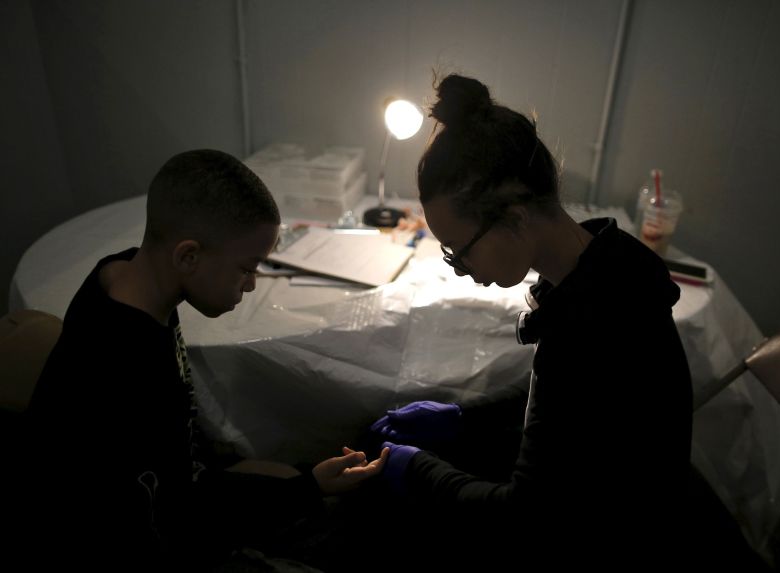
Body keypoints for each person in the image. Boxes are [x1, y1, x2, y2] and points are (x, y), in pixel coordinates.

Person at [367, 74, 708, 569]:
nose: (463, 268)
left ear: (516, 217)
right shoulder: (605, 267)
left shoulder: (591, 328)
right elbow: (571, 419)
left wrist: (418, 470)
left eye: (460, 250)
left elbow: (524, 520)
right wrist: (465, 419)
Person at [22, 149, 388, 571]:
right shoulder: (126, 364)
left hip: (175, 494)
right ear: (188, 256)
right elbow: (180, 514)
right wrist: (307, 488)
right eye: (246, 268)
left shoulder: (126, 274)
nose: (251, 284)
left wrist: (305, 484)